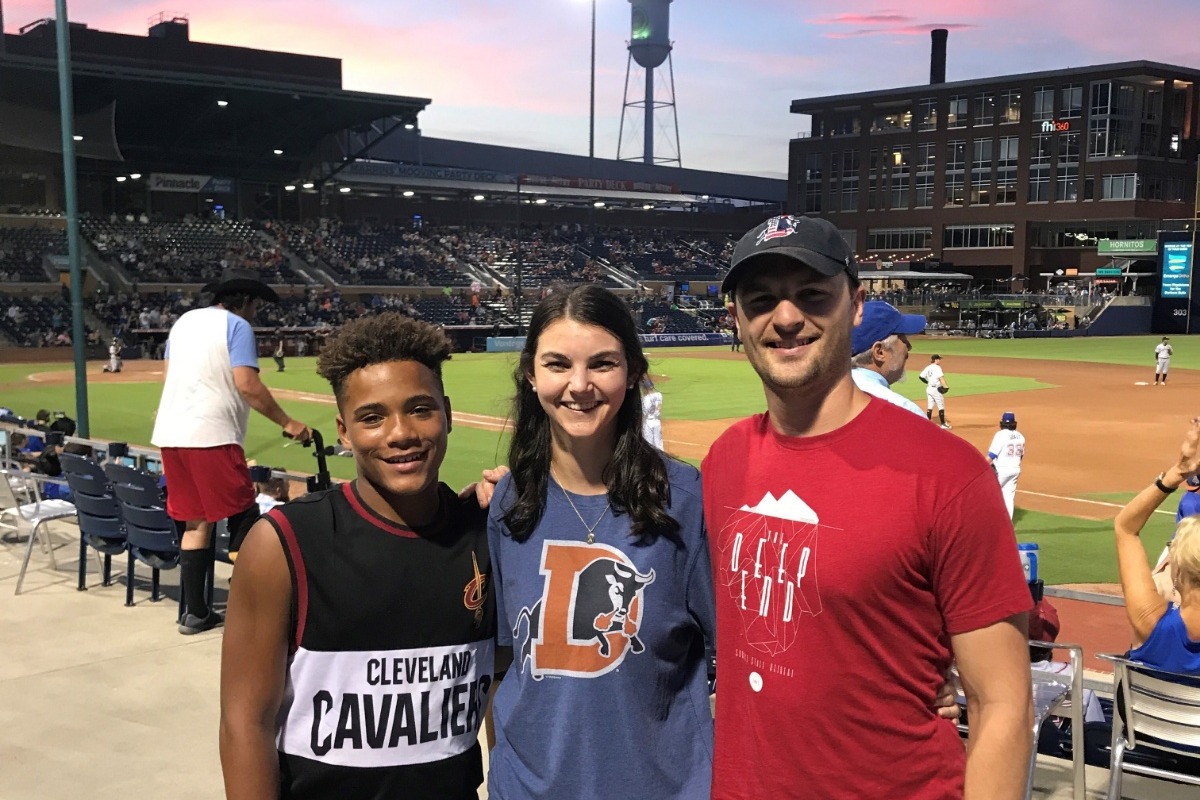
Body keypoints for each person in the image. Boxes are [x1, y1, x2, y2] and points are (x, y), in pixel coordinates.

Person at [704, 214, 1033, 799]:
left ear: (856, 306)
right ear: (736, 318)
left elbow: (1002, 703)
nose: (786, 317)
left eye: (812, 295)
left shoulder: (948, 474)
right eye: (761, 300)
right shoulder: (725, 460)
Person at [219, 312, 495, 800]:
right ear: (344, 432)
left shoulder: (486, 534)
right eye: (372, 417)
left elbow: (507, 691)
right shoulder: (284, 543)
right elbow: (245, 723)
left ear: (447, 414)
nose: (400, 433)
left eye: (420, 409)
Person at [487, 285, 715, 800]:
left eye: (602, 363)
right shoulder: (508, 502)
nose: (579, 385)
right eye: (557, 364)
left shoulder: (684, 500)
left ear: (632, 372)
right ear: (531, 374)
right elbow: (505, 665)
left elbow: (740, 660)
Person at [151, 267, 311, 636]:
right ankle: (254, 606)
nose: (256, 312)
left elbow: (171, 376)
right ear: (246, 301)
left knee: (196, 523)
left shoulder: (183, 323)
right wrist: (288, 422)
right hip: (212, 434)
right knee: (244, 513)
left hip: (173, 435)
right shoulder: (237, 326)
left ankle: (196, 613)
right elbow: (247, 384)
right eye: (256, 305)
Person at [1112, 418, 1200, 673]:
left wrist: (1177, 473)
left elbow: (1125, 528)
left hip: (1145, 700)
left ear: (1179, 572)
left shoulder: (1149, 622)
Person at [849, 300, 926, 417]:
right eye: (902, 338)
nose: (909, 346)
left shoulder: (825, 397)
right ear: (879, 352)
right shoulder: (906, 411)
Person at [987, 411, 1027, 520]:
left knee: (986, 495)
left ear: (1002, 423)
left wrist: (982, 467)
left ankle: (986, 523)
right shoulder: (1021, 436)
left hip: (1001, 471)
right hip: (1015, 470)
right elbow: (1021, 456)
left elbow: (992, 455)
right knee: (1008, 498)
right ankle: (1007, 525)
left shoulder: (1000, 435)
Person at [918, 353, 951, 428]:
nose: (940, 360)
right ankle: (943, 424)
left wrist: (927, 382)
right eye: (939, 359)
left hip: (929, 389)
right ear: (936, 360)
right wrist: (946, 387)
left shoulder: (928, 367)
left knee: (930, 406)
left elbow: (921, 377)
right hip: (936, 389)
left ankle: (927, 423)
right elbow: (941, 378)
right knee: (941, 405)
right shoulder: (937, 368)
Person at [641, 377, 664, 449]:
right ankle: (661, 456)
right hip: (657, 421)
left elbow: (644, 413)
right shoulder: (659, 395)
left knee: (649, 444)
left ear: (646, 389)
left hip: (648, 422)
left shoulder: (645, 399)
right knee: (659, 443)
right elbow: (659, 406)